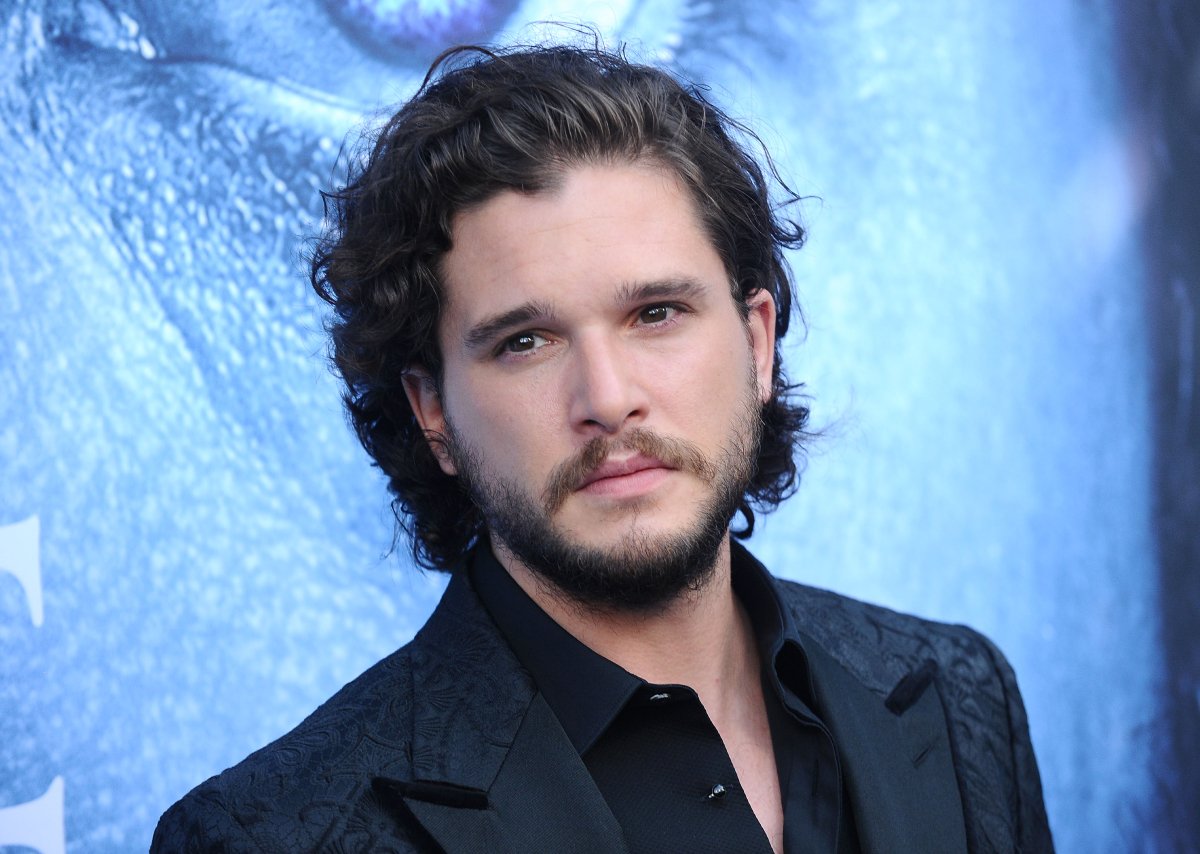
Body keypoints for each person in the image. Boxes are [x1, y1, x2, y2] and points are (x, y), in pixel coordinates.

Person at [152, 42, 1053, 853]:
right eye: (526, 342)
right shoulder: (265, 836)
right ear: (432, 414)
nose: (608, 399)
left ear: (757, 344)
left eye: (655, 314)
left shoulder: (959, 690)